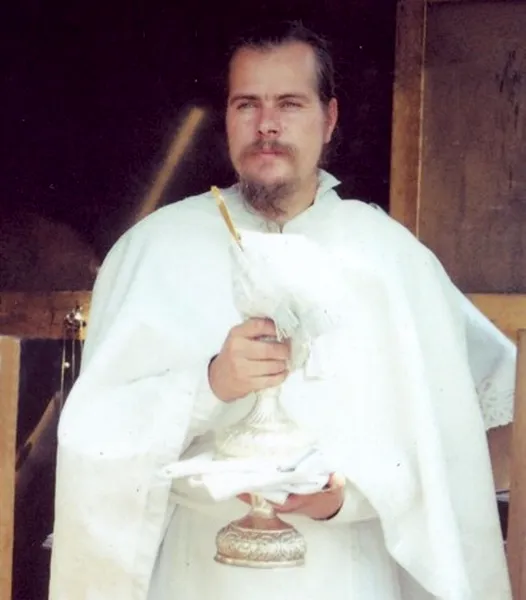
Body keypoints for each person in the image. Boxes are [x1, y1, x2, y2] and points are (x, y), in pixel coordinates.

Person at [49, 21, 516, 600]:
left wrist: (350, 496)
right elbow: (94, 441)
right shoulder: (152, 250)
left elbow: (459, 438)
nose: (266, 124)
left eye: (290, 104)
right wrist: (209, 384)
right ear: (227, 118)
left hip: (347, 573)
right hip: (199, 575)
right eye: (247, 104)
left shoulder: (392, 259)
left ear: (329, 118)